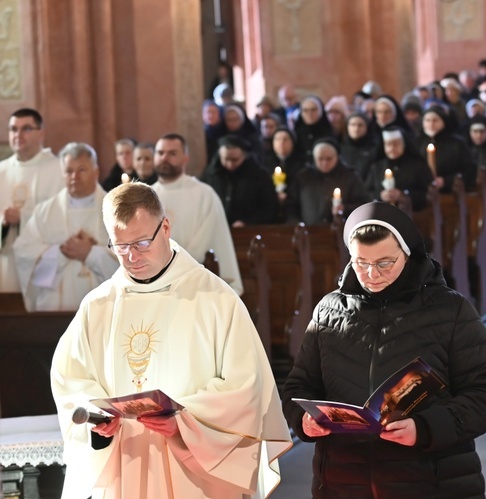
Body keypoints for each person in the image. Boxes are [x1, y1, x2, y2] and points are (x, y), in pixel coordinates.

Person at [50, 181, 292, 498]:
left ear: (165, 227)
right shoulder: (98, 305)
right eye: (120, 247)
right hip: (127, 463)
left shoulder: (214, 298)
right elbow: (71, 380)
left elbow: (246, 385)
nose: (132, 257)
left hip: (194, 471)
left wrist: (185, 420)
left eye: (141, 243)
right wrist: (97, 419)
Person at [282, 201, 486, 498]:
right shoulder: (329, 311)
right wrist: (303, 419)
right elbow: (298, 385)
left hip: (432, 481)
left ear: (408, 254)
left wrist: (425, 427)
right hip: (344, 482)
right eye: (361, 263)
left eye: (384, 263)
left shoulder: (450, 310)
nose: (372, 274)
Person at [13, 142, 118, 311]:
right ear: (62, 174)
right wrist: (60, 252)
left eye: (82, 170)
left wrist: (91, 253)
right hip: (55, 315)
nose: (74, 176)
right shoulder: (45, 212)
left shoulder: (116, 211)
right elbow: (24, 252)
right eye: (69, 171)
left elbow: (130, 259)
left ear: (96, 172)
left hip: (104, 312)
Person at [151, 133, 243, 295]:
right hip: (153, 279)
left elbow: (204, 241)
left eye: (172, 153)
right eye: (160, 153)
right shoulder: (147, 195)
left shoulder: (203, 194)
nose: (165, 157)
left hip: (192, 280)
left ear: (185, 158)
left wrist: (172, 268)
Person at [0, 108, 64, 291]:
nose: (18, 134)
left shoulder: (59, 171)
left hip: (44, 262)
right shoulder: (1, 171)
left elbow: (63, 218)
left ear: (41, 133)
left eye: (26, 128)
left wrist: (24, 218)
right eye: (13, 129)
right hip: (6, 262)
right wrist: (2, 223)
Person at [286, 138, 370, 225]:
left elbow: (364, 205)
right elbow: (291, 205)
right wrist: (295, 223)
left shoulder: (350, 176)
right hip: (310, 231)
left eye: (329, 159)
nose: (324, 163)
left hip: (342, 230)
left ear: (337, 157)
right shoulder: (303, 176)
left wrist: (344, 209)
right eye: (320, 159)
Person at [200, 135, 280, 227]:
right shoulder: (210, 174)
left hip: (248, 228)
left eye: (235, 160)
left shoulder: (259, 175)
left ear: (244, 156)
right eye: (226, 159)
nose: (230, 164)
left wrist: (247, 222)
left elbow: (270, 207)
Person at [367, 126, 434, 211]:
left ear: (404, 144)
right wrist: (380, 195)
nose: (392, 148)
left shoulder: (418, 166)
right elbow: (367, 193)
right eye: (388, 144)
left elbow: (427, 194)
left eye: (396, 144)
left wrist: (402, 195)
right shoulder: (377, 167)